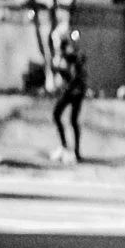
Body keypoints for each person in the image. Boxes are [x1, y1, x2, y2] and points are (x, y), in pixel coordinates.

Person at [49, 28, 88, 162]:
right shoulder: (64, 54)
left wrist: (59, 69)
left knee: (60, 115)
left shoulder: (67, 53)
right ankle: (71, 150)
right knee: (71, 119)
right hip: (74, 89)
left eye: (56, 40)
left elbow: (73, 71)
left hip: (72, 90)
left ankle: (67, 149)